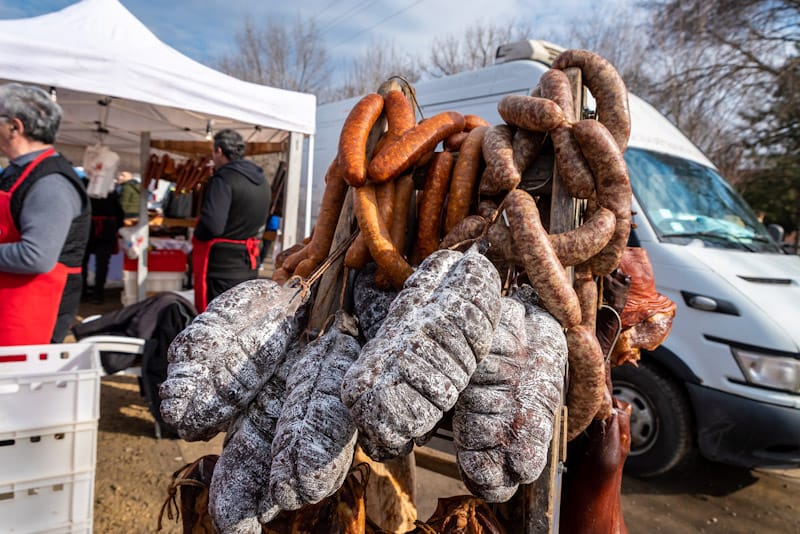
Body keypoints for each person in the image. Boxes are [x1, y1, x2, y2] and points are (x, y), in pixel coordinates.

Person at [0, 83, 90, 344]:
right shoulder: (15, 172)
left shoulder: (51, 182)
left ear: (15, 127)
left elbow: (36, 256)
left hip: (32, 310)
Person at [192, 129, 270, 312]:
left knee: (216, 323)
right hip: (248, 265)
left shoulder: (223, 179)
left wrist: (197, 233)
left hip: (221, 268)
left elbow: (213, 225)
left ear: (219, 151)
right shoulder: (262, 181)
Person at [82, 185, 125, 304]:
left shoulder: (84, 190)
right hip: (106, 230)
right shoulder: (110, 192)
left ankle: (83, 292)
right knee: (102, 264)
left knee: (83, 263)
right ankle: (98, 294)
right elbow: (120, 214)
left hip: (88, 229)